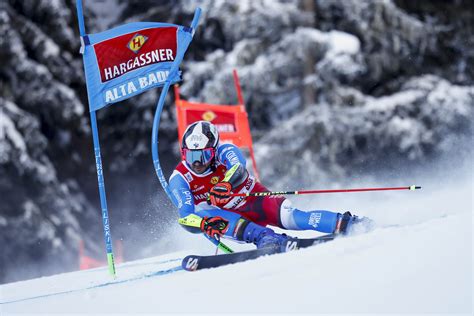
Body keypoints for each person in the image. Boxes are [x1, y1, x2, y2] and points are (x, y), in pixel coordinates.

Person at [169, 120, 366, 251]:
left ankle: (346, 223)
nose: (197, 162)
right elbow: (185, 218)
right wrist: (202, 225)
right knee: (205, 215)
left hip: (256, 200)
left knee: (294, 218)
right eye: (190, 155)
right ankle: (268, 239)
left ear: (213, 150)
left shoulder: (225, 150)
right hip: (230, 218)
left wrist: (226, 184)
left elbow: (238, 167)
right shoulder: (180, 178)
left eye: (203, 155)